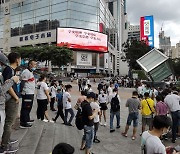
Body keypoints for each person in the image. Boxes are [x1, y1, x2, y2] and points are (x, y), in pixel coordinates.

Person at [0, 52, 21, 153]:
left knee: (9, 122)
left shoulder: (10, 70)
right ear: (17, 59)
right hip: (10, 99)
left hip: (9, 99)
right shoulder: (9, 70)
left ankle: (6, 140)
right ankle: (4, 145)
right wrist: (16, 97)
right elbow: (6, 87)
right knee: (9, 122)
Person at [20, 60, 37, 128]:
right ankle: (23, 123)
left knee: (29, 107)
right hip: (27, 93)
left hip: (31, 92)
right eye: (34, 64)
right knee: (26, 107)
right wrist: (21, 91)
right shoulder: (26, 72)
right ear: (30, 64)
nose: (35, 66)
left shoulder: (30, 72)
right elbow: (23, 83)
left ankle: (27, 119)